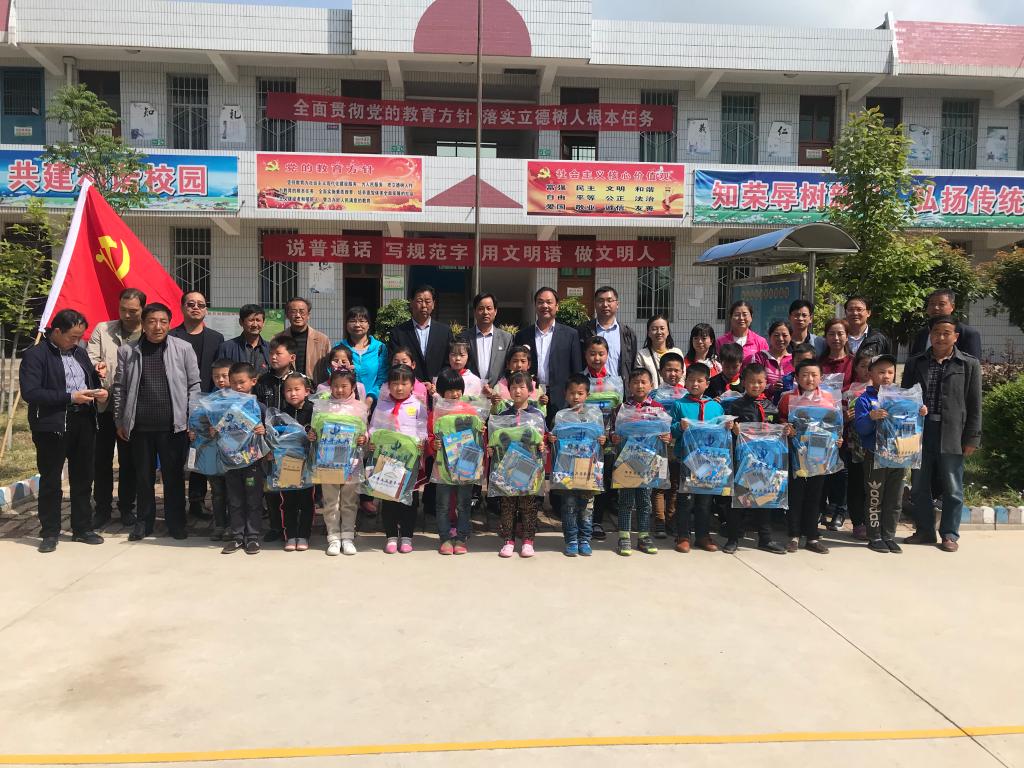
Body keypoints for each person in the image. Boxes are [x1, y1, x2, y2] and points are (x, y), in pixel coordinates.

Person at [113, 302, 201, 541]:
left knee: (173, 478)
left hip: (173, 426)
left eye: (163, 321)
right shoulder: (127, 351)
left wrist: (191, 417)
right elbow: (120, 388)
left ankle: (176, 522)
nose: (158, 326)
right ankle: (144, 522)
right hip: (140, 427)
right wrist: (120, 420)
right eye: (152, 321)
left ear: (170, 324)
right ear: (143, 324)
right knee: (143, 478)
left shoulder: (183, 348)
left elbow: (194, 385)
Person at [21, 309, 107, 553]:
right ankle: (50, 531)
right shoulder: (36, 355)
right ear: (57, 331)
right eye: (72, 337)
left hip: (84, 421)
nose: (76, 341)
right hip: (52, 424)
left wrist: (98, 386)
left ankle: (82, 528)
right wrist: (69, 397)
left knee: (83, 477)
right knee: (51, 480)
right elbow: (31, 393)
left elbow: (88, 381)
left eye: (80, 337)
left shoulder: (80, 353)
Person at [902, 315, 982, 552]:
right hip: (920, 432)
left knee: (952, 487)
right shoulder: (916, 363)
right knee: (919, 486)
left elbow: (975, 404)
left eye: (946, 333)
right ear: (930, 335)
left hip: (953, 433)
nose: (940, 337)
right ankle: (925, 531)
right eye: (936, 332)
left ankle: (949, 534)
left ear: (955, 337)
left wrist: (972, 437)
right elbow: (904, 398)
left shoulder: (968, 364)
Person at [855, 354, 928, 554]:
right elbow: (861, 429)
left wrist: (920, 412)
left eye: (890, 372)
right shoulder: (865, 399)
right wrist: (871, 417)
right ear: (870, 374)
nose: (886, 376)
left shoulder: (902, 398)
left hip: (899, 456)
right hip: (874, 456)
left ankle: (888, 535)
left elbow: (910, 423)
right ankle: (875, 536)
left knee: (895, 499)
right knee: (875, 496)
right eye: (880, 372)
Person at [87, 287, 144, 530]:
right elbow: (90, 357)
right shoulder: (103, 329)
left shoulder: (148, 332)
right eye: (123, 309)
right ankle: (102, 508)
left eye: (133, 311)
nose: (127, 315)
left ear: (142, 309)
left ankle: (127, 507)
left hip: (133, 408)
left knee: (129, 461)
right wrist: (96, 366)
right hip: (104, 406)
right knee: (101, 459)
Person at [170, 290, 225, 522]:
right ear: (182, 307)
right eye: (191, 304)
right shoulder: (171, 336)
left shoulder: (216, 338)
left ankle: (197, 500)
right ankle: (174, 504)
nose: (196, 308)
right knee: (176, 455)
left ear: (206, 310)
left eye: (200, 305)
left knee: (201, 453)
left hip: (206, 405)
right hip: (175, 402)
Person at [722, 364, 788, 554]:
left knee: (764, 499)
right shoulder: (736, 405)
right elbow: (729, 431)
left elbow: (777, 431)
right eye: (751, 382)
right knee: (738, 500)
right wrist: (734, 431)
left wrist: (784, 430)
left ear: (766, 383)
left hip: (766, 462)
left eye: (760, 382)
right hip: (743, 462)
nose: (756, 385)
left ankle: (765, 539)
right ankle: (733, 538)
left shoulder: (771, 406)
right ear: (743, 382)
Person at [256, 335, 313, 543]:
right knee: (274, 489)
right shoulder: (263, 381)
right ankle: (277, 528)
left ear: (291, 357)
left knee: (301, 493)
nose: (273, 357)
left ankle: (300, 532)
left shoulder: (302, 380)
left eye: (278, 353)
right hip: (273, 442)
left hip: (300, 450)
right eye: (271, 353)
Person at [778, 359, 836, 554]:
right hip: (796, 454)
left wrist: (837, 439)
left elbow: (834, 424)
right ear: (796, 377)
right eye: (804, 375)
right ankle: (794, 535)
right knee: (796, 495)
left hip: (819, 454)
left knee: (815, 495)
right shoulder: (788, 398)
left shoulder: (828, 398)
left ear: (821, 377)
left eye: (814, 375)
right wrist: (787, 428)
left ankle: (812, 536)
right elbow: (781, 420)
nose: (809, 379)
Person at [611, 368, 670, 556]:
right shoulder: (622, 409)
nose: (639, 386)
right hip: (627, 461)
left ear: (651, 385)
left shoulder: (658, 409)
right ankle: (624, 537)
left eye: (644, 382)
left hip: (649, 462)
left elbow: (665, 433)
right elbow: (613, 432)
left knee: (645, 501)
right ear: (629, 386)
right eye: (635, 382)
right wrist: (614, 438)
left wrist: (667, 437)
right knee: (626, 500)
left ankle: (644, 536)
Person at [670, 362, 725, 553]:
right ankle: (683, 536)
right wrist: (679, 427)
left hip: (710, 461)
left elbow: (721, 433)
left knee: (705, 501)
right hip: (686, 460)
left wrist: (727, 427)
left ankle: (703, 535)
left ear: (707, 383)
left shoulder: (716, 407)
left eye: (699, 380)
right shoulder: (679, 404)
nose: (695, 384)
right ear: (685, 382)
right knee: (685, 499)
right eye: (691, 380)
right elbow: (670, 431)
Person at [374, 364, 429, 554]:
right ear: (388, 385)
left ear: (412, 385)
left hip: (409, 461)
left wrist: (421, 442)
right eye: (394, 383)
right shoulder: (382, 404)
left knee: (409, 499)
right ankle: (390, 536)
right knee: (388, 498)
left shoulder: (417, 406)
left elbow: (422, 429)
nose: (399, 388)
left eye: (404, 383)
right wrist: (373, 440)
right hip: (387, 459)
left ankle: (406, 536)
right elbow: (374, 427)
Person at [550, 374, 606, 557]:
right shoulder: (561, 416)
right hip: (567, 470)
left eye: (580, 393)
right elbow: (553, 439)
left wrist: (603, 440)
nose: (576, 397)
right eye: (572, 393)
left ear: (587, 395)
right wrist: (552, 439)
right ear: (565, 394)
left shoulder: (594, 415)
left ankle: (585, 539)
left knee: (587, 508)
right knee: (569, 506)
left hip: (589, 470)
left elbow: (601, 439)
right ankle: (571, 539)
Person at [493, 371, 546, 558]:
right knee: (507, 505)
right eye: (513, 387)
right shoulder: (503, 415)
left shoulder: (537, 414)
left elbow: (543, 437)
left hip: (529, 467)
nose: (517, 391)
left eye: (522, 387)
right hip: (507, 467)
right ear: (508, 390)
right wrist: (492, 450)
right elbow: (496, 440)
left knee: (529, 505)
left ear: (530, 391)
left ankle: (528, 541)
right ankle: (508, 540)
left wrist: (542, 445)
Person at [218, 363, 269, 555]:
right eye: (233, 383)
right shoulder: (224, 407)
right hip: (231, 461)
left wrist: (263, 430)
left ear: (253, 381)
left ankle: (253, 536)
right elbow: (218, 428)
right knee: (235, 500)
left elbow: (269, 431)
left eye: (242, 382)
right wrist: (215, 429)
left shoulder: (259, 407)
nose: (238, 387)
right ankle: (237, 535)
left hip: (253, 462)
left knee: (253, 499)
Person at [318, 370, 367, 557]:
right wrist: (314, 434)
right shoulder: (323, 406)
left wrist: (364, 438)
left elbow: (364, 431)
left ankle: (347, 537)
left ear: (353, 387)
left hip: (351, 461)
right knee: (331, 500)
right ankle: (333, 537)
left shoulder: (359, 407)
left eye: (344, 386)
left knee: (349, 500)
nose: (339, 390)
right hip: (328, 460)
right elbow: (316, 429)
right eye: (335, 386)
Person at [430, 368, 477, 555]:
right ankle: (445, 538)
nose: (455, 394)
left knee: (464, 503)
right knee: (442, 504)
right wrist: (434, 444)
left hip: (465, 464)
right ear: (441, 392)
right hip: (442, 467)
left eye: (458, 389)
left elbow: (477, 437)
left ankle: (461, 537)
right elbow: (430, 436)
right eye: (450, 390)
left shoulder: (470, 410)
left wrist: (480, 434)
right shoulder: (437, 411)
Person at [514, 287, 582, 415]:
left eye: (549, 302)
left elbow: (576, 370)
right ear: (535, 306)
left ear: (557, 306)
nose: (545, 306)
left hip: (562, 398)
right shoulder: (522, 335)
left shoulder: (570, 334)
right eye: (540, 302)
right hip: (530, 397)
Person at [278, 372, 316, 552]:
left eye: (297, 389)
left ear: (307, 391)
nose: (292, 393)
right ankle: (290, 535)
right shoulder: (281, 413)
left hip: (308, 464)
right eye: (288, 390)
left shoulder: (314, 411)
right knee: (288, 501)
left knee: (307, 501)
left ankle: (304, 535)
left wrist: (313, 435)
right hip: (288, 464)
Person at [651, 352, 686, 537]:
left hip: (678, 446)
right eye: (668, 370)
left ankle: (671, 519)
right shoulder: (653, 394)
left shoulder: (687, 394)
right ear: (660, 372)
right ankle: (659, 521)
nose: (673, 374)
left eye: (676, 370)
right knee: (658, 483)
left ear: (682, 372)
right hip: (658, 444)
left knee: (674, 484)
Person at [199, 358, 234, 542]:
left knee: (233, 492)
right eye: (216, 376)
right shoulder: (208, 400)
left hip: (234, 455)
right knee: (217, 491)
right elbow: (198, 421)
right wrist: (198, 429)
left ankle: (232, 526)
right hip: (213, 454)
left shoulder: (240, 398)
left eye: (224, 376)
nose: (220, 380)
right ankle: (219, 524)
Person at [388, 285, 454, 382]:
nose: (424, 306)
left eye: (428, 301)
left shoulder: (445, 332)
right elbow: (395, 364)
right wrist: (417, 384)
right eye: (419, 301)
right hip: (409, 386)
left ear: (433, 304)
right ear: (411, 303)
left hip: (438, 387)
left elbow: (449, 362)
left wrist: (437, 382)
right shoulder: (398, 333)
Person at [577, 286, 638, 381]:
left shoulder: (628, 333)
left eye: (609, 300)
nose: (605, 305)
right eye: (600, 300)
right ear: (595, 304)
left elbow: (632, 364)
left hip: (619, 388)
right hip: (590, 387)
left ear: (617, 304)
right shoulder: (583, 331)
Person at [336, 305, 388, 407]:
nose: (357, 325)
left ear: (369, 324)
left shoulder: (380, 348)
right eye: (352, 321)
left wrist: (371, 398)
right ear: (346, 325)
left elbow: (383, 377)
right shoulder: (339, 348)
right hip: (345, 404)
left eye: (362, 321)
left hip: (375, 404)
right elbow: (333, 375)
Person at [909, 289, 983, 359]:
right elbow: (913, 362)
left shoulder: (968, 334)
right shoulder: (922, 333)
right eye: (932, 304)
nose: (936, 307)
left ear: (952, 307)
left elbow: (972, 365)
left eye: (941, 304)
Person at [463, 292, 512, 389]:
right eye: (481, 308)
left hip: (497, 393)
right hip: (470, 392)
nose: (485, 312)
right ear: (474, 311)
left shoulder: (507, 338)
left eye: (489, 308)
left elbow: (509, 368)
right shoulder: (463, 338)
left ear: (495, 311)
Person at [282, 296, 332, 383]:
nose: (298, 315)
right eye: (293, 312)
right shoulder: (279, 339)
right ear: (287, 315)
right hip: (287, 388)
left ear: (308, 315)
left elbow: (330, 367)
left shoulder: (323, 340)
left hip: (315, 388)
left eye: (302, 312)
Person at [216, 304, 271, 376]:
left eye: (258, 320)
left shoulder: (270, 348)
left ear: (263, 323)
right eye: (251, 320)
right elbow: (220, 374)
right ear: (241, 322)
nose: (255, 324)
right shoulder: (226, 348)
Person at [635, 314, 684, 386]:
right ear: (648, 333)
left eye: (662, 328)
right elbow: (639, 378)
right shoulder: (642, 354)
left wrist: (675, 391)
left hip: (674, 393)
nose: (659, 332)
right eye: (654, 329)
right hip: (651, 393)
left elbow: (682, 378)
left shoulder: (677, 352)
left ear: (668, 332)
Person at [754, 321, 794, 403]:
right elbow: (753, 382)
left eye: (785, 335)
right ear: (769, 336)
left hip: (789, 405)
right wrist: (770, 387)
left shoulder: (794, 359)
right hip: (762, 405)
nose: (780, 339)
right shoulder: (760, 357)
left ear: (791, 337)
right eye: (776, 335)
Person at [820, 317, 854, 389]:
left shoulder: (854, 362)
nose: (836, 338)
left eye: (840, 334)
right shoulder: (818, 363)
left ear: (847, 337)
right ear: (825, 337)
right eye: (831, 334)